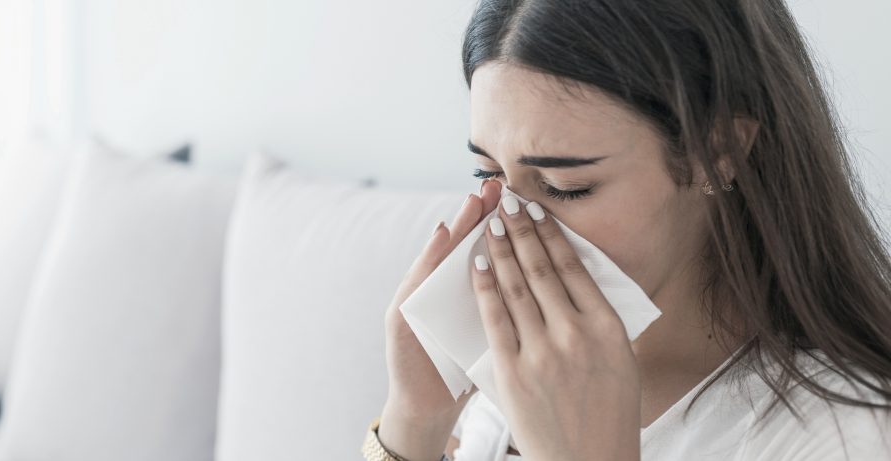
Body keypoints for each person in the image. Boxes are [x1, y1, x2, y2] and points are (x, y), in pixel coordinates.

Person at [362, 0, 891, 460]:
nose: (511, 220)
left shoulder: (849, 434)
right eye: (490, 174)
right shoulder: (523, 365)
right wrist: (413, 422)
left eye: (565, 185)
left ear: (719, 153)